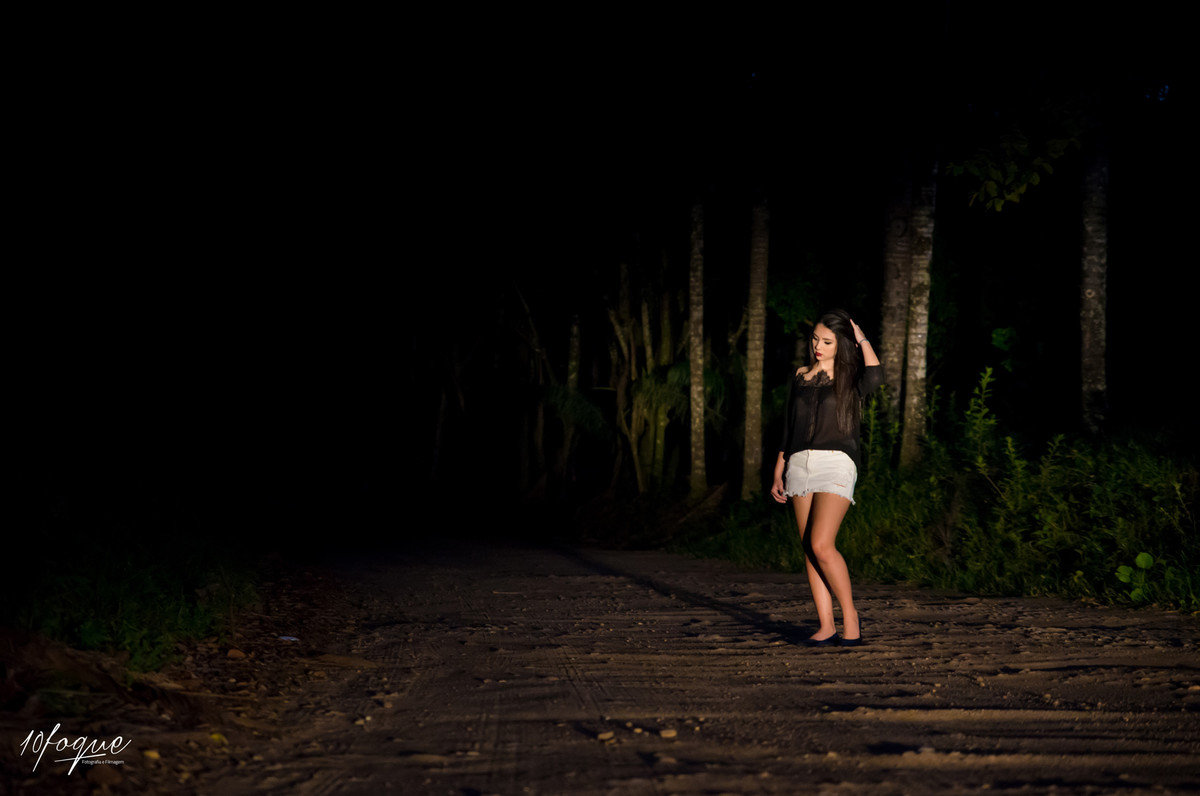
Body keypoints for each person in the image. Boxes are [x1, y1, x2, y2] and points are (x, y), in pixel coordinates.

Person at [771, 309, 882, 647]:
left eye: (827, 341)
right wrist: (780, 467)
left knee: (821, 544)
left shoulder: (850, 377)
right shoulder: (801, 375)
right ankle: (825, 626)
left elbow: (876, 376)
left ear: (841, 344)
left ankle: (850, 618)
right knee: (808, 548)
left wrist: (860, 337)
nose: (818, 346)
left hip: (836, 463)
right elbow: (789, 425)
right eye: (816, 339)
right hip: (799, 463)